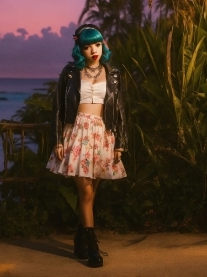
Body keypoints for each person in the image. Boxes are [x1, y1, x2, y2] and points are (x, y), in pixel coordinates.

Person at [46, 23, 127, 268]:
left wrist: (120, 143)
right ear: (79, 49)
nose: (94, 50)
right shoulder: (70, 72)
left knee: (93, 194)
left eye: (98, 44)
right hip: (77, 132)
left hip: (103, 134)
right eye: (88, 45)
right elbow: (58, 107)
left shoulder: (112, 73)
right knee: (87, 192)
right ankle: (92, 247)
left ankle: (79, 238)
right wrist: (57, 139)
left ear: (103, 45)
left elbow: (121, 109)